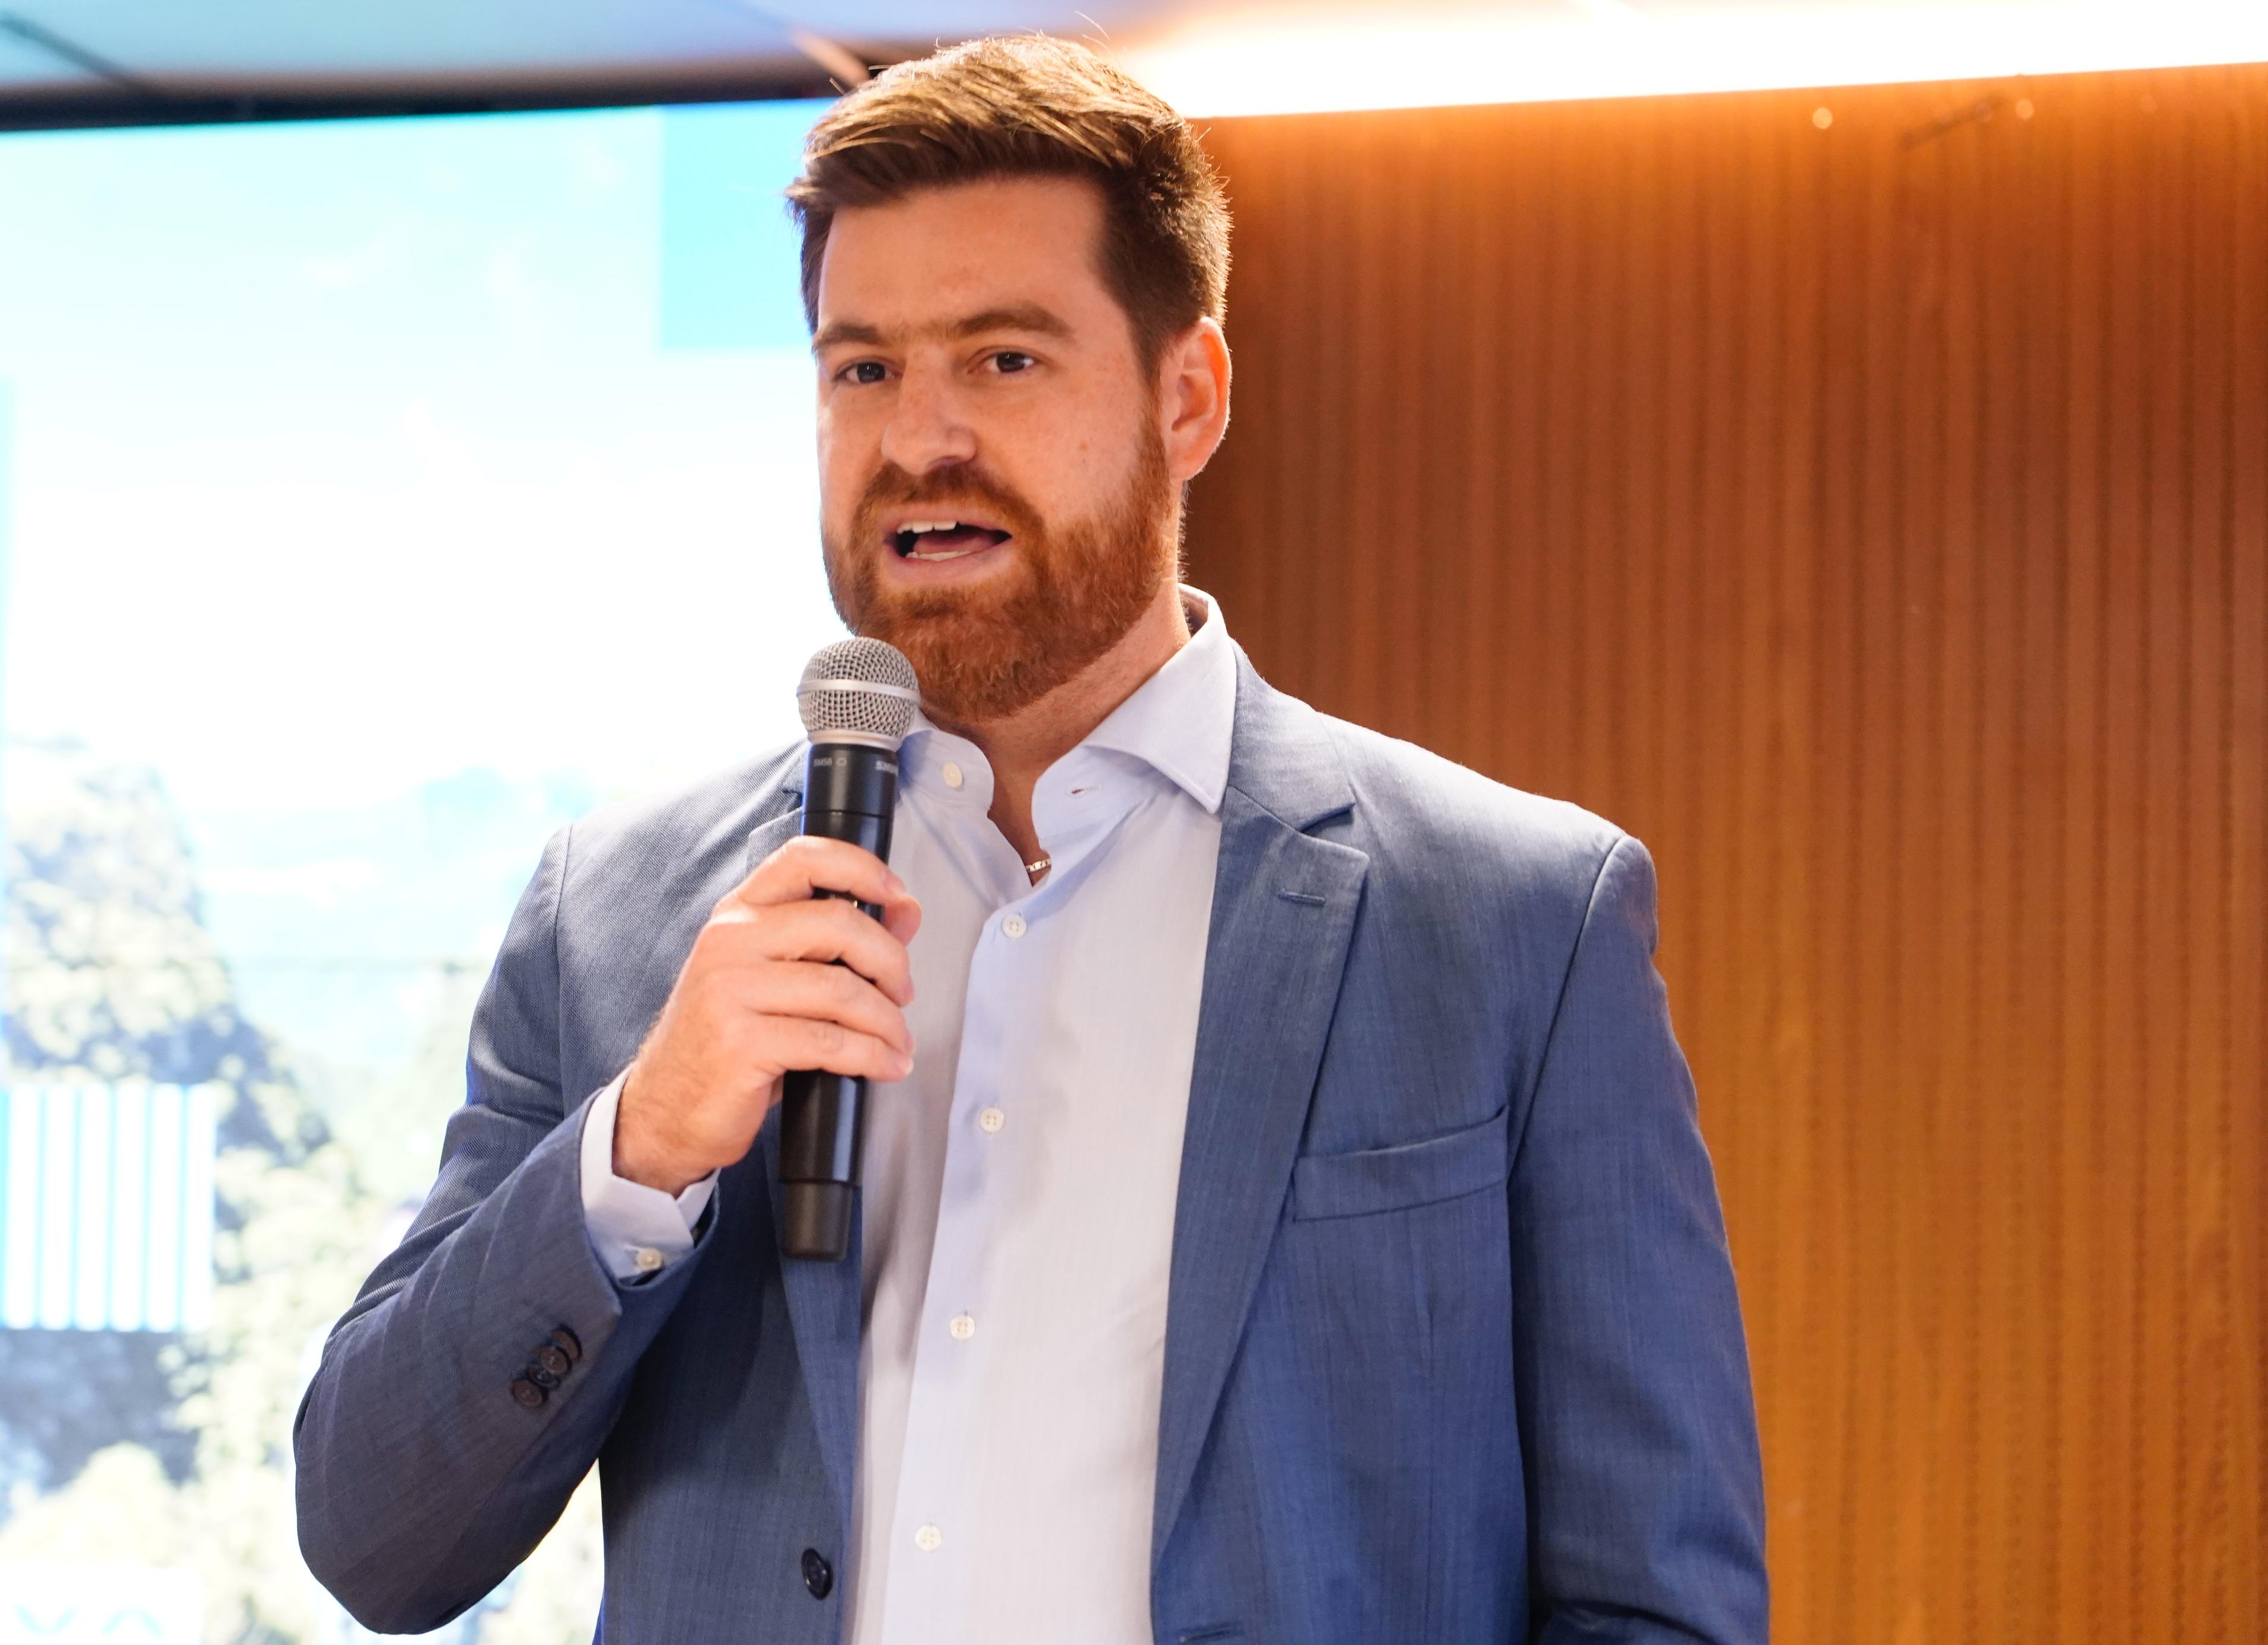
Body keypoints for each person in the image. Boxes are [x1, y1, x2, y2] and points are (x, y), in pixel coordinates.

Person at [294, 34, 1766, 1645]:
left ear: (1187, 398)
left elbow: (1653, 1606)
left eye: (1002, 360)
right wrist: (641, 1150)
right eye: (862, 370)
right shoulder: (619, 917)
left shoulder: (1514, 923)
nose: (918, 438)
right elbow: (376, 1540)